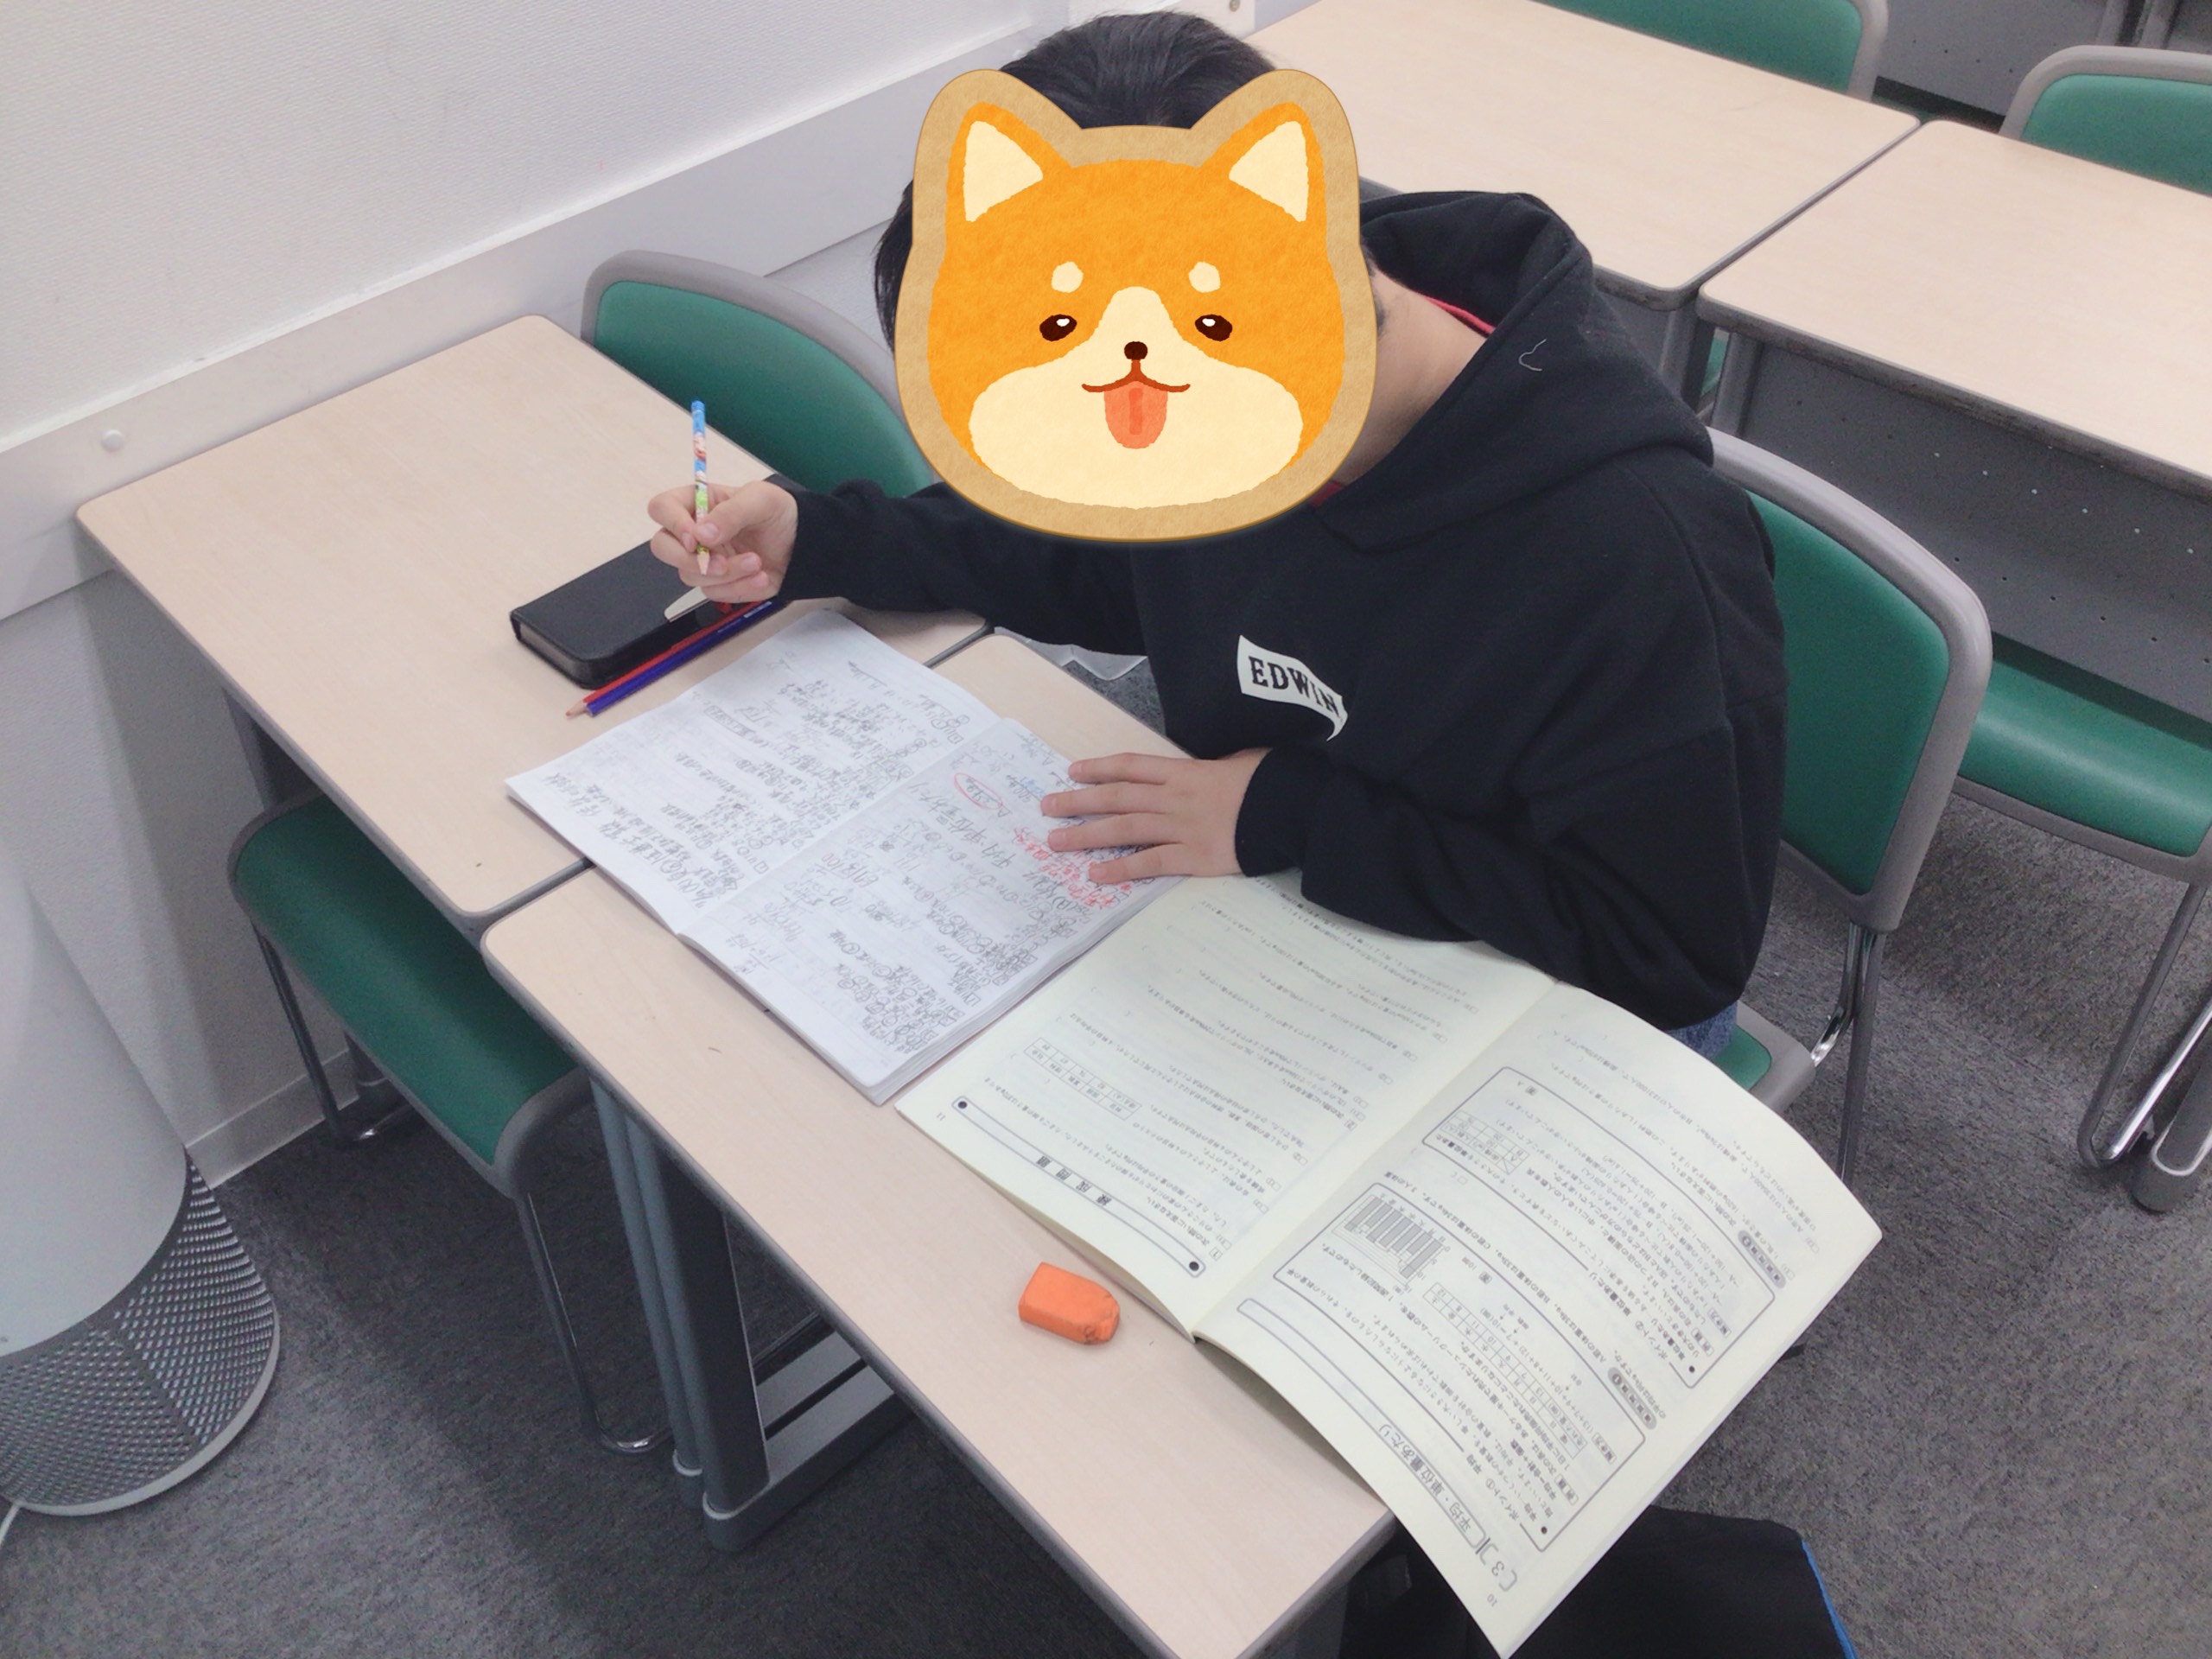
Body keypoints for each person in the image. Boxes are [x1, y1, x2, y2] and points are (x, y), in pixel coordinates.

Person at [646, 10, 1784, 1056]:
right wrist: (821, 539)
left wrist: (1291, 817)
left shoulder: (1637, 558)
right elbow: (1100, 559)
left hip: (1544, 999)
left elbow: (1668, 954)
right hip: (1274, 902)